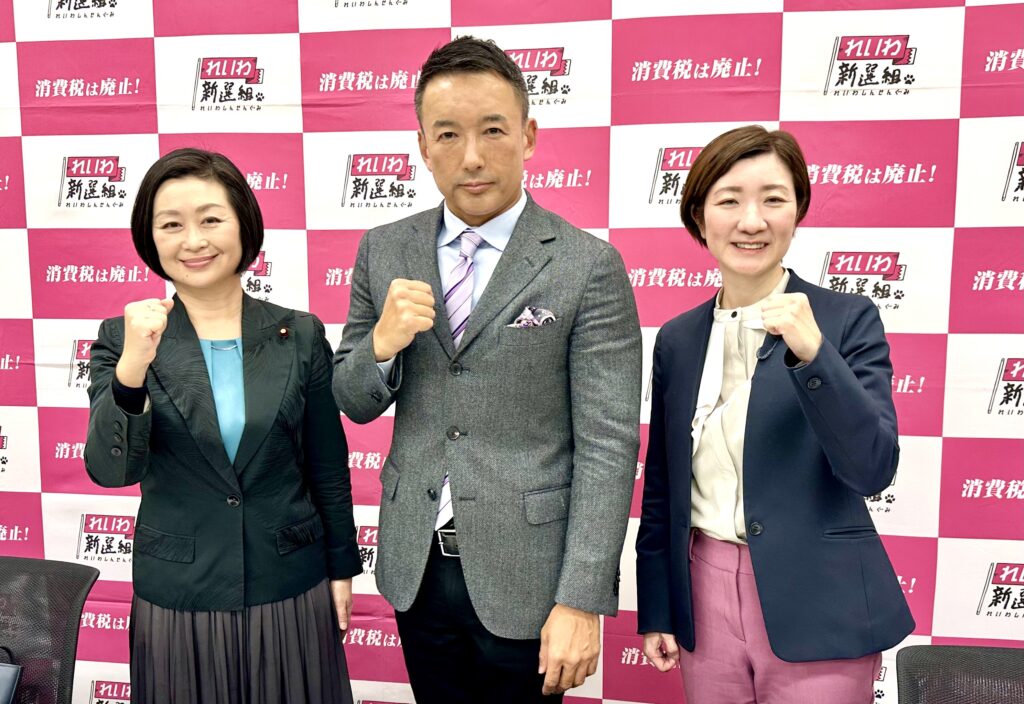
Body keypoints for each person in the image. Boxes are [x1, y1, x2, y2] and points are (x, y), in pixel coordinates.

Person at [332, 36, 642, 704]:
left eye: (493, 130)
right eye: (447, 134)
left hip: (529, 576)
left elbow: (609, 445)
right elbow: (352, 398)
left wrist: (581, 598)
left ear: (528, 135)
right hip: (415, 566)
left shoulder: (586, 266)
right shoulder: (385, 250)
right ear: (422, 144)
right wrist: (381, 344)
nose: (470, 157)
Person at [636, 125, 914, 703]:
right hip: (704, 597)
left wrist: (814, 355)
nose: (752, 221)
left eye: (773, 199)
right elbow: (662, 487)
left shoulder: (845, 319)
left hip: (820, 598)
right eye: (729, 200)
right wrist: (658, 607)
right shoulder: (679, 340)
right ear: (699, 215)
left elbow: (873, 468)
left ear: (798, 209)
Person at [84, 148, 361, 704]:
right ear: (150, 238)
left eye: (211, 219)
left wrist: (340, 570)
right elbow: (112, 470)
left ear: (243, 225)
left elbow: (327, 466)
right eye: (171, 225)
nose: (194, 240)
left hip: (290, 585)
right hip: (179, 598)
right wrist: (133, 366)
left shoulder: (299, 334)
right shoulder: (122, 338)